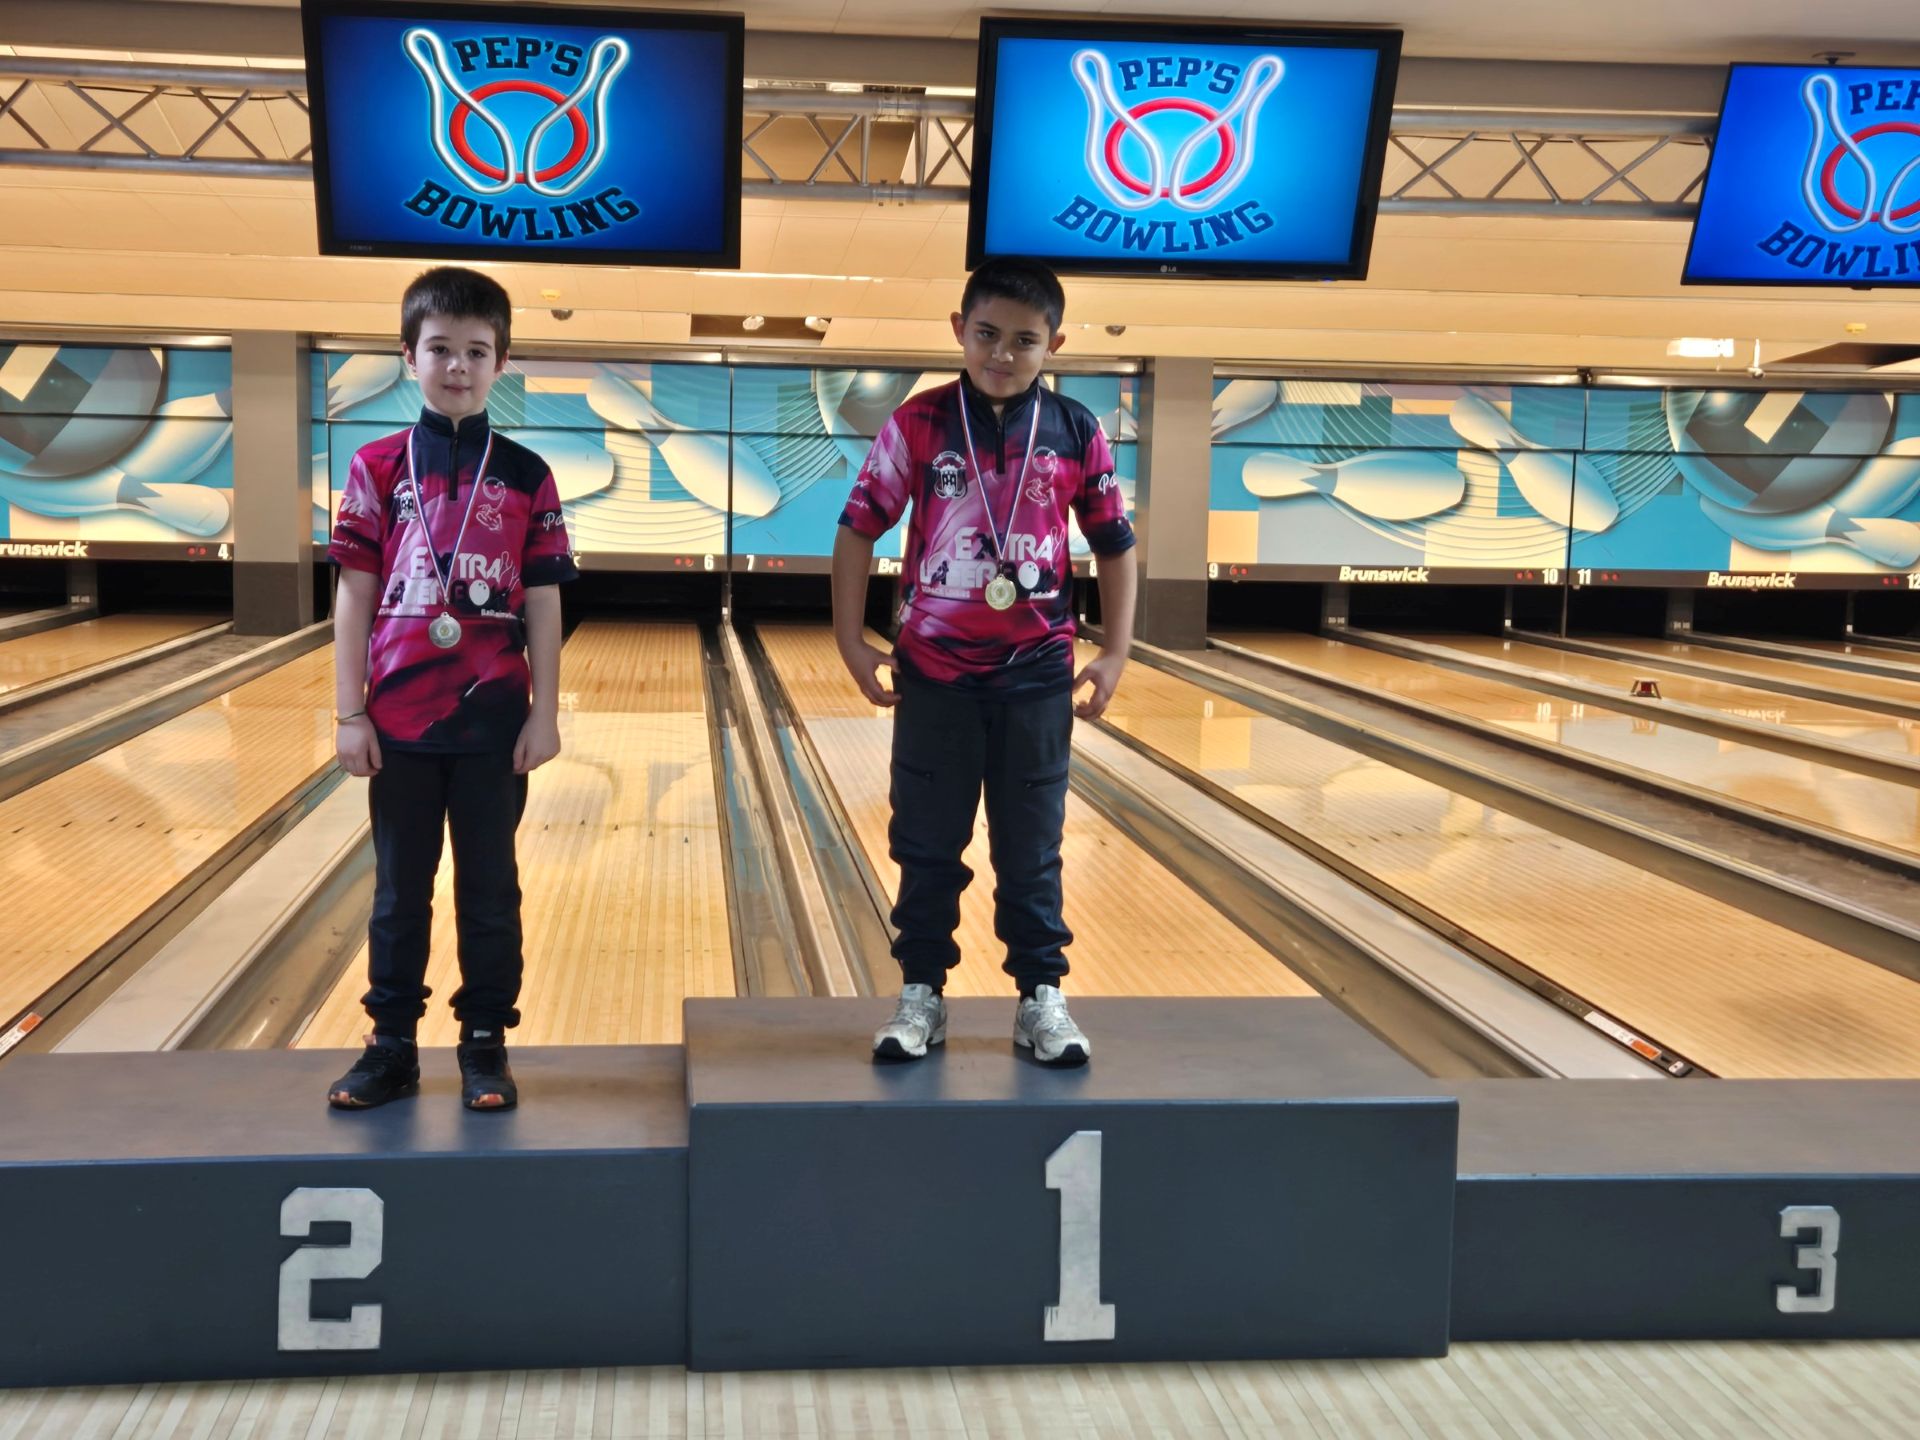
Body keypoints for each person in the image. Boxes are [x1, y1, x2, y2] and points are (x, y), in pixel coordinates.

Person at [832, 256, 1138, 1067]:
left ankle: (1041, 996)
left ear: (1054, 345)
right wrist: (850, 639)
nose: (1002, 353)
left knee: (1031, 849)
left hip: (1037, 676)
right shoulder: (919, 422)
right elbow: (857, 528)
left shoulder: (1075, 429)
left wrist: (1116, 651)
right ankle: (921, 993)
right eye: (987, 334)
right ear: (959, 331)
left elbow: (1114, 543)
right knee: (926, 844)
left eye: (1024, 341)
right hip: (934, 674)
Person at [326, 266, 577, 1110]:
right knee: (400, 892)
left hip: (493, 725)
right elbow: (354, 595)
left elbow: (543, 599)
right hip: (398, 722)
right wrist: (350, 712)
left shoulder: (528, 472)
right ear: (410, 357)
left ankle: (484, 1042)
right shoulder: (376, 466)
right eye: (440, 349)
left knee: (490, 893)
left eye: (476, 351)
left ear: (501, 361)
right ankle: (391, 1045)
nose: (457, 366)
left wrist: (545, 712)